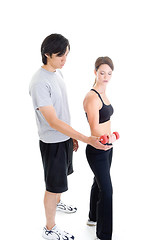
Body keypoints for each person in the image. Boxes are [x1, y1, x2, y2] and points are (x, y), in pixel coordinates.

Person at [29, 34, 110, 240]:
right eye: (60, 56)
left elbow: (62, 112)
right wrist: (84, 137)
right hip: (52, 142)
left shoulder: (57, 74)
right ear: (47, 54)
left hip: (63, 138)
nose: (64, 60)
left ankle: (57, 203)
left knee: (61, 179)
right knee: (52, 185)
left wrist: (71, 136)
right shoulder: (39, 82)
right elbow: (53, 121)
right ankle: (49, 227)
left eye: (66, 55)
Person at [83, 56, 116, 240]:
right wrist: (106, 137)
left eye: (109, 73)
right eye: (102, 72)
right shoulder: (92, 96)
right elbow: (94, 128)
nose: (106, 76)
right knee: (107, 190)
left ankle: (92, 218)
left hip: (108, 147)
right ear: (95, 72)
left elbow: (106, 119)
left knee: (99, 182)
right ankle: (104, 235)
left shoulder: (104, 93)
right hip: (97, 149)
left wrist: (110, 138)